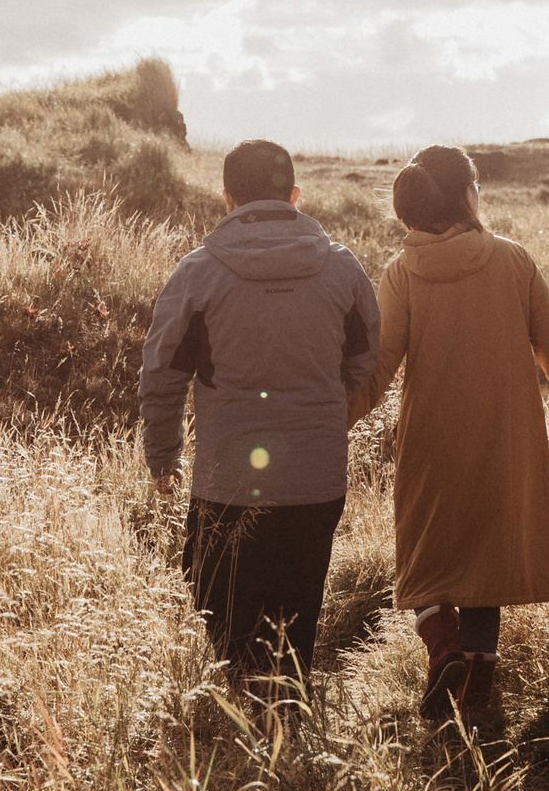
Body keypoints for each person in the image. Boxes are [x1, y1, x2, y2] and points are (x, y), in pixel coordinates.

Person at [347, 144, 549, 720]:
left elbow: (377, 368)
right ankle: (479, 681)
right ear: (468, 195)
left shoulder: (401, 273)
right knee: (488, 564)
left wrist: (327, 421)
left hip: (431, 444)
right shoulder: (514, 261)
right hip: (504, 440)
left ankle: (443, 652)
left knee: (424, 560)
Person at [142, 139, 382, 694]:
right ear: (295, 196)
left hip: (227, 481)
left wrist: (163, 455)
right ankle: (286, 725)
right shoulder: (343, 269)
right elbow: (365, 357)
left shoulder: (198, 274)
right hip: (317, 479)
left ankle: (243, 724)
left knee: (220, 606)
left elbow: (162, 374)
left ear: (226, 199)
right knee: (296, 615)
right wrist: (323, 405)